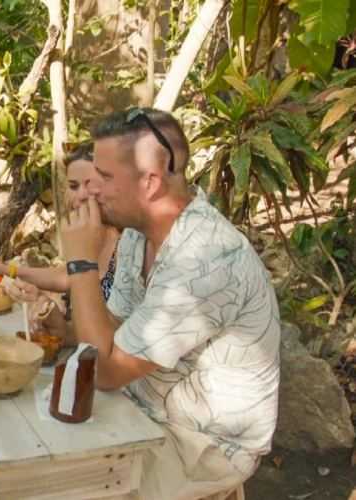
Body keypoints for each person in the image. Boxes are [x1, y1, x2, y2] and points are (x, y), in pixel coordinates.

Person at [58, 107, 280, 499]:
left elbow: (107, 371)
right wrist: (62, 325)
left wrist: (82, 264)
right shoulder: (137, 234)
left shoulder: (207, 259)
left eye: (105, 178)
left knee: (59, 484)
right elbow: (110, 330)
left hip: (203, 446)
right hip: (143, 408)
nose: (93, 190)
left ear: (150, 182)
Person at [0, 142, 120, 337]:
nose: (80, 195)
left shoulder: (129, 247)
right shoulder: (88, 234)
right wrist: (7, 270)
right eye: (73, 186)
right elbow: (68, 275)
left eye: (91, 185)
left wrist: (63, 327)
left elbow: (118, 333)